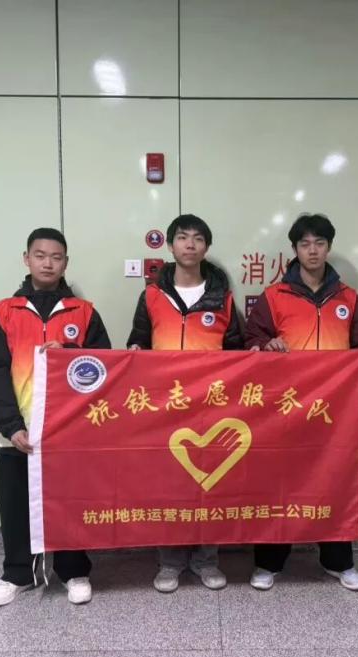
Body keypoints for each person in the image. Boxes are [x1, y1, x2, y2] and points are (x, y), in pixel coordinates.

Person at [244, 213, 358, 591]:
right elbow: (250, 342)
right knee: (278, 483)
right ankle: (269, 563)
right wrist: (266, 345)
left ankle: (338, 561)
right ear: (294, 249)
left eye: (320, 243)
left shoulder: (348, 299)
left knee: (334, 481)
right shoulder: (274, 296)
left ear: (329, 247)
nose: (313, 250)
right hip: (284, 410)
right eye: (305, 244)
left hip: (333, 414)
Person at [0, 227, 111, 606]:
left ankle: (73, 570)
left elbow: (104, 366)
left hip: (68, 431)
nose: (48, 263)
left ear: (66, 263)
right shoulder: (4, 312)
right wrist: (11, 427)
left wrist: (69, 350)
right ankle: (17, 573)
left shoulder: (84, 312)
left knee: (71, 502)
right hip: (18, 432)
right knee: (15, 504)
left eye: (56, 257)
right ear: (27, 259)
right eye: (40, 256)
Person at [126, 214, 244, 593]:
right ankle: (170, 562)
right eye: (182, 237)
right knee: (169, 486)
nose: (189, 244)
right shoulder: (151, 296)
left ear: (206, 247)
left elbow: (238, 352)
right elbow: (138, 341)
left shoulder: (223, 298)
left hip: (212, 407)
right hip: (165, 408)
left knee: (210, 486)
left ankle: (207, 560)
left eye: (197, 238)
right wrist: (135, 351)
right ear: (171, 245)